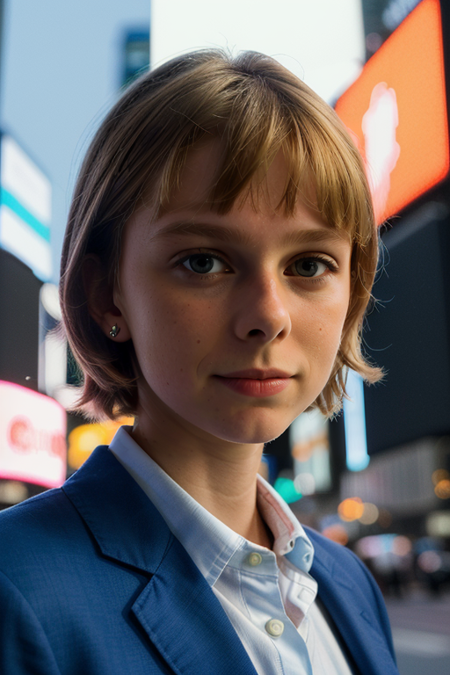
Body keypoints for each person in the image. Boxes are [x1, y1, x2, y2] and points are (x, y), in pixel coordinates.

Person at [0, 50, 399, 675]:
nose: (268, 315)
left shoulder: (349, 586)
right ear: (108, 293)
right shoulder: (16, 589)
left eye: (308, 266)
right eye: (204, 261)